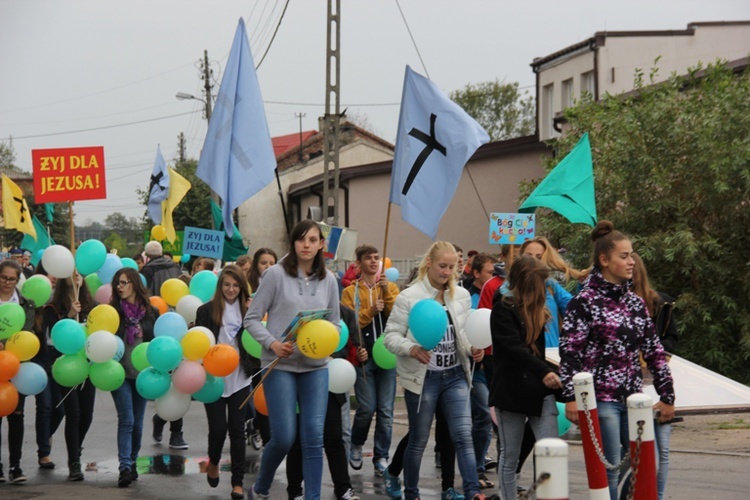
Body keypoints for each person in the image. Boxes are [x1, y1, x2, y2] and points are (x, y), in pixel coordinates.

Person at [559, 221, 675, 500]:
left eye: (632, 255)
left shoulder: (635, 303)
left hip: (635, 398)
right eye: (624, 256)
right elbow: (570, 352)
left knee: (647, 465)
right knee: (608, 468)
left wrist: (667, 395)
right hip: (602, 399)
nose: (631, 261)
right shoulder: (584, 302)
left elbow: (654, 351)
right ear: (604, 260)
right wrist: (570, 397)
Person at [244, 220, 340, 500]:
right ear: (294, 243)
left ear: (321, 244)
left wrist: (325, 339)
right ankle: (260, 487)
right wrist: (272, 343)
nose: (307, 245)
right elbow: (251, 319)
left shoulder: (329, 279)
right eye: (302, 240)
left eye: (313, 240)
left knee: (313, 438)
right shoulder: (274, 275)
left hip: (316, 367)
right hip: (279, 365)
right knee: (285, 436)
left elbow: (335, 325)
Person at [384, 241, 486, 500]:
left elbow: (463, 332)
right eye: (442, 266)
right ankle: (412, 493)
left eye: (452, 267)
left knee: (463, 434)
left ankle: (473, 492)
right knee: (418, 439)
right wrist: (412, 349)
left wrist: (474, 347)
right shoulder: (409, 296)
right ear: (429, 262)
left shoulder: (460, 295)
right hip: (423, 378)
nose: (447, 272)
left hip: (455, 376)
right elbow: (390, 337)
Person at [490, 256, 562, 499]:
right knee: (510, 456)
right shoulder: (502, 309)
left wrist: (555, 374)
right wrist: (544, 372)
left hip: (539, 392)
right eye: (537, 285)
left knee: (549, 453)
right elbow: (514, 349)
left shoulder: (538, 311)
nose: (542, 290)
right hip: (511, 392)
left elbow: (537, 353)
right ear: (524, 284)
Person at [286, 304, 361, 500]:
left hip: (330, 379)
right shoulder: (299, 308)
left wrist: (358, 355)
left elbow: (349, 344)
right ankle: (295, 491)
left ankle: (343, 488)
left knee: (334, 437)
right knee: (298, 441)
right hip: (300, 378)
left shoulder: (342, 312)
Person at [194, 265, 254, 500]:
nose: (231, 289)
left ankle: (237, 482)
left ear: (241, 287)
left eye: (236, 285)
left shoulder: (249, 310)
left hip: (240, 376)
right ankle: (215, 461)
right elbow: (198, 342)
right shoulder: (206, 311)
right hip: (213, 378)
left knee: (237, 431)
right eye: (227, 285)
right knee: (218, 429)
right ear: (220, 287)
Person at [341, 244, 399, 476]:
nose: (374, 262)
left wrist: (386, 294)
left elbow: (398, 317)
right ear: (358, 263)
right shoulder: (349, 292)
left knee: (386, 410)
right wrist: (371, 311)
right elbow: (350, 324)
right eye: (369, 258)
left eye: (377, 258)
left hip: (387, 355)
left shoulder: (390, 287)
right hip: (364, 357)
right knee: (366, 407)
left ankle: (381, 456)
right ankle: (356, 444)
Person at [39, 271, 97, 481]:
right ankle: (74, 462)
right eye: (72, 274)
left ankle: (76, 447)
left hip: (88, 365)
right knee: (73, 412)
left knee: (87, 414)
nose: (76, 277)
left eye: (79, 274)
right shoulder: (53, 308)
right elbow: (53, 335)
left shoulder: (91, 304)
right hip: (65, 365)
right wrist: (70, 316)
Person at [631, 254, 678, 500]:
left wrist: (652, 349)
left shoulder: (661, 303)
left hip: (658, 379)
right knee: (634, 453)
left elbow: (672, 339)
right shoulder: (616, 306)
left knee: (663, 452)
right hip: (630, 385)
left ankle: (656, 497)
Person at [109, 267, 159, 488]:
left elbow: (157, 343)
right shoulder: (112, 311)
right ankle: (125, 467)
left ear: (135, 285)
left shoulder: (151, 312)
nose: (120, 287)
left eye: (124, 282)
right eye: (117, 283)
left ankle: (132, 460)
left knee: (138, 423)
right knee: (127, 419)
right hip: (118, 373)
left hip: (142, 376)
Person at [141, 241, 188, 450]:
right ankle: (162, 418)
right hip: (165, 325)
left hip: (173, 326)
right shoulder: (175, 267)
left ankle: (175, 432)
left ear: (147, 256)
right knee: (166, 378)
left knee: (178, 380)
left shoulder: (147, 271)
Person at [0, 259, 37, 483]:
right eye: (3, 277)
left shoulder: (26, 305)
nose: (7, 282)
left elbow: (26, 332)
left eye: (12, 279)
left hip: (15, 365)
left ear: (18, 280)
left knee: (16, 415)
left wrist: (5, 342)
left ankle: (16, 466)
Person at [519, 237, 573, 348]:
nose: (533, 261)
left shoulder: (551, 286)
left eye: (539, 257)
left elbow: (576, 309)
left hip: (551, 356)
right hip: (524, 358)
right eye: (528, 256)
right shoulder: (509, 290)